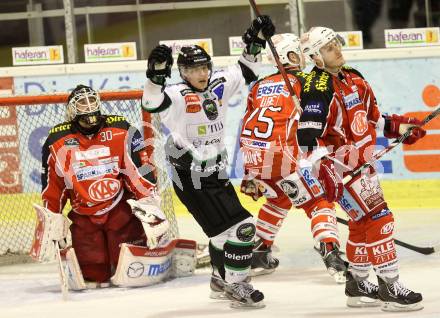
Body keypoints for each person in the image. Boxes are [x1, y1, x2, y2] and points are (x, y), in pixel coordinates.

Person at [141, 16, 275, 308]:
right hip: (189, 174)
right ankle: (237, 285)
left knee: (219, 234)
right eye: (193, 69)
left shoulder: (220, 83)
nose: (201, 73)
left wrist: (256, 39)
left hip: (215, 170)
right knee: (243, 228)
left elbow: (247, 69)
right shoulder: (175, 95)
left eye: (204, 67)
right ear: (183, 72)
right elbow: (150, 103)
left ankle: (218, 277)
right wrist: (155, 76)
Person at [299, 26, 425, 311]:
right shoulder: (317, 87)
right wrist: (325, 168)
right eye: (329, 47)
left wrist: (402, 127)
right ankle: (390, 285)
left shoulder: (353, 77)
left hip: (362, 165)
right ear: (316, 57)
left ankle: (357, 284)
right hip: (341, 167)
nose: (338, 49)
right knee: (380, 218)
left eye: (336, 43)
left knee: (359, 225)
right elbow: (307, 137)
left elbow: (374, 118)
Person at [32, 84, 180, 288]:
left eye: (91, 102)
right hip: (84, 216)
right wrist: (52, 219)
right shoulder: (57, 141)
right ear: (71, 111)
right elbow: (54, 186)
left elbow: (137, 169)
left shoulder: (121, 129)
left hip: (120, 212)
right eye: (82, 104)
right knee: (94, 274)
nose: (88, 108)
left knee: (129, 269)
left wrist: (149, 204)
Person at [239, 33, 346, 282]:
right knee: (318, 202)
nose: (303, 57)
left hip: (256, 158)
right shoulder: (304, 82)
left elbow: (247, 123)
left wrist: (249, 172)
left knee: (278, 199)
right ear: (291, 56)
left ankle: (259, 251)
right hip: (286, 158)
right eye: (298, 52)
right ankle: (331, 252)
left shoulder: (257, 86)